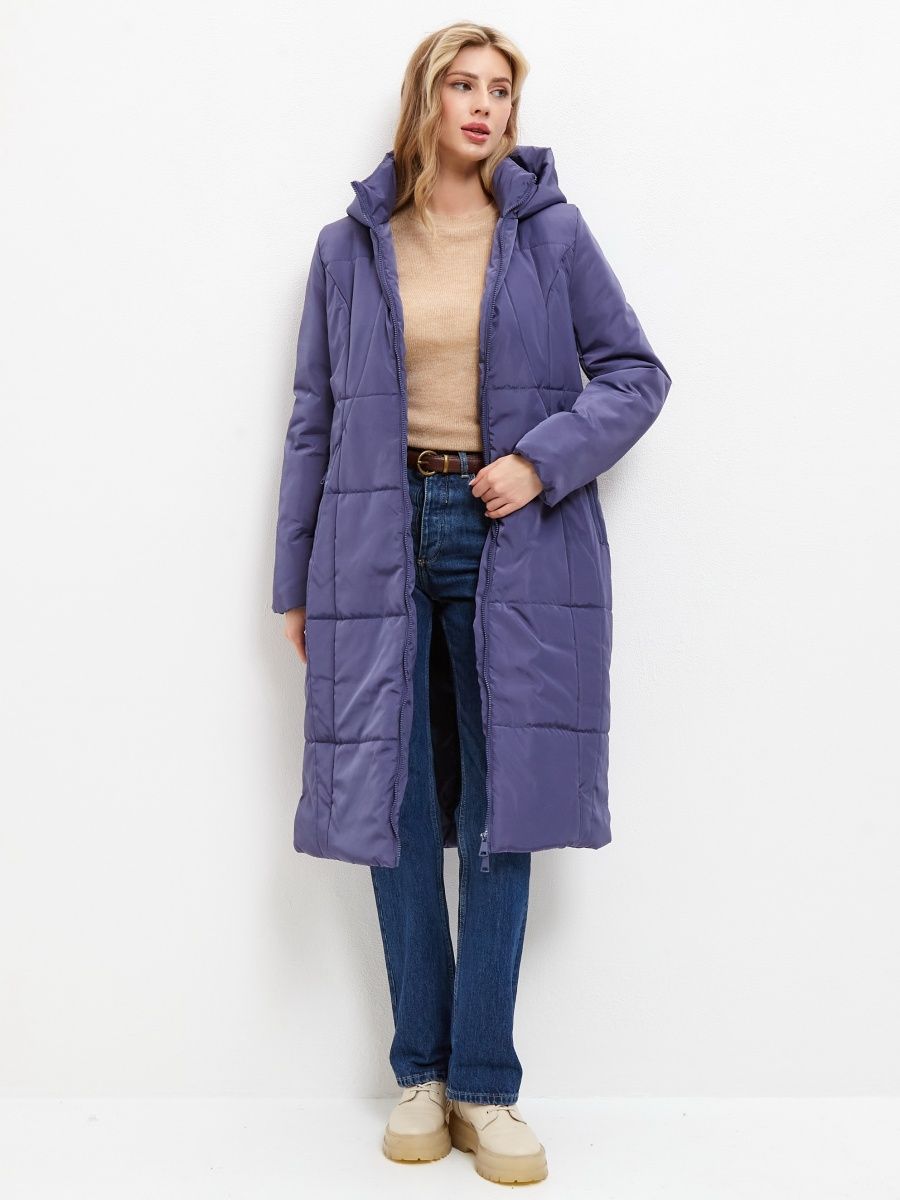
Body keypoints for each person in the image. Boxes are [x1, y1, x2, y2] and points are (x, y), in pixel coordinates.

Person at [272, 21, 671, 1188]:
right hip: (372, 540)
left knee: (503, 808)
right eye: (464, 85)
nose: (485, 105)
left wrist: (541, 460)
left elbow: (637, 374)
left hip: (512, 541)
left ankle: (486, 1087)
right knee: (393, 803)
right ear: (426, 100)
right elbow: (312, 420)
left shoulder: (551, 235)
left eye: (501, 89)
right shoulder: (349, 248)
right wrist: (294, 579)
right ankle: (421, 1074)